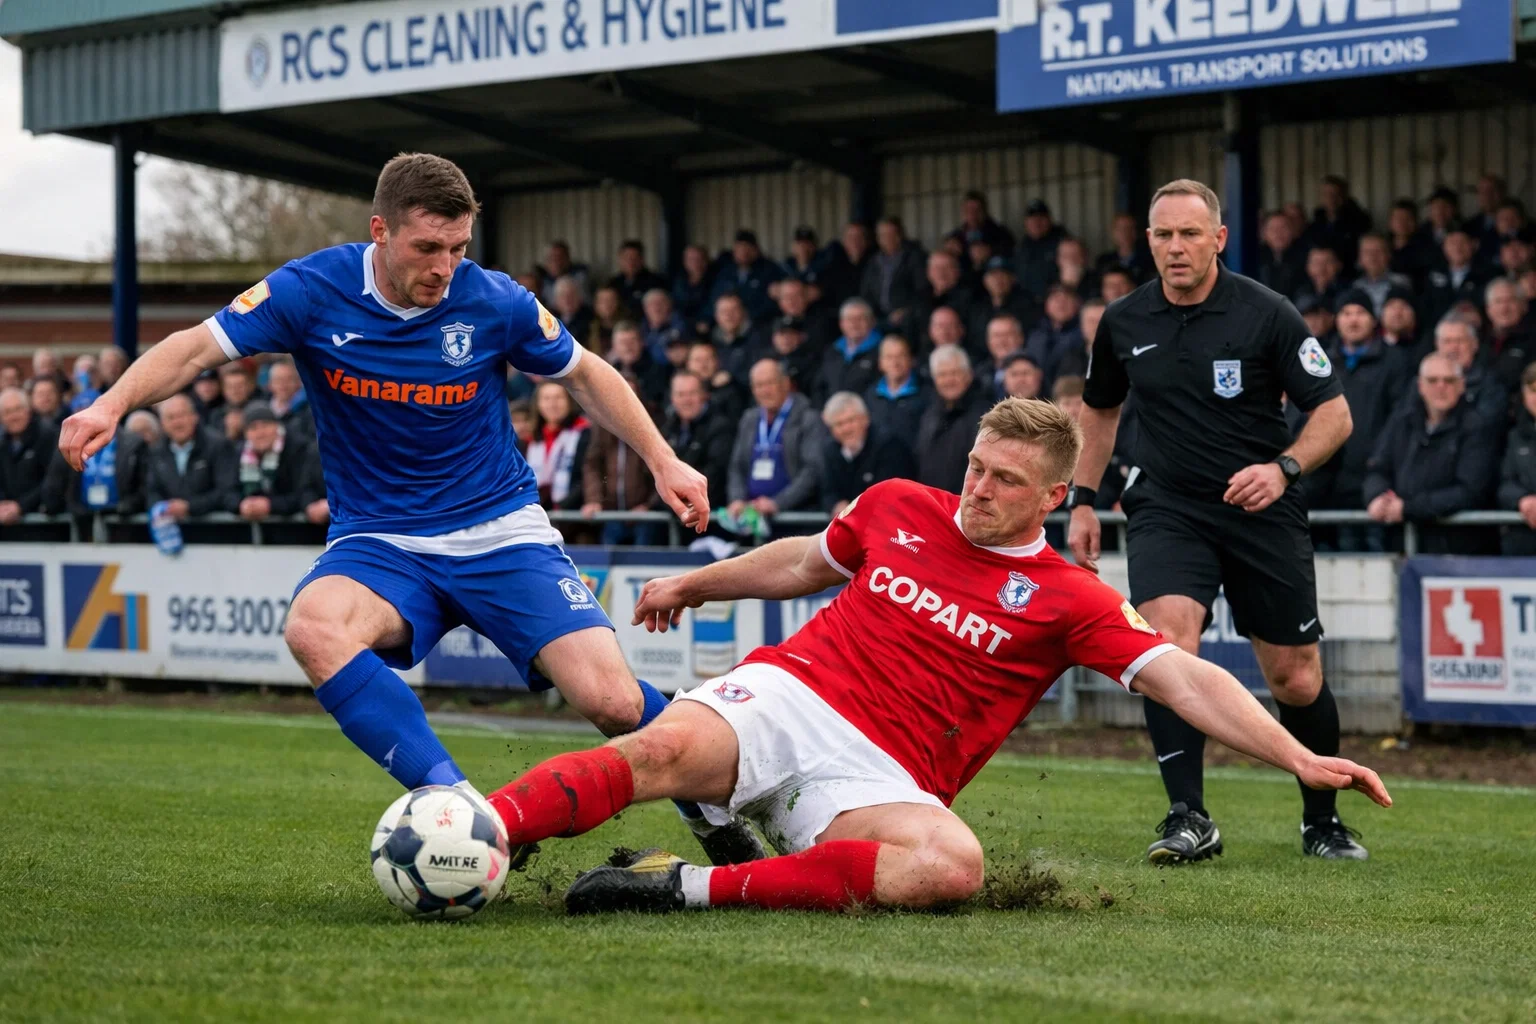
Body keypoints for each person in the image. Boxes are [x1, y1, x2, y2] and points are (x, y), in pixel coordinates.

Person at [55, 154, 753, 862]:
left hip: (501, 531)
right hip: (382, 540)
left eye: (458, 248)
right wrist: (111, 404)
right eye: (427, 247)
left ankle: (719, 807)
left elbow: (586, 373)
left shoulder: (495, 299)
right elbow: (193, 350)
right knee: (314, 627)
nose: (444, 267)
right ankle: (462, 811)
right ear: (380, 231)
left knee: (613, 701)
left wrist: (662, 459)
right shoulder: (310, 290)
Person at [468, 399, 1390, 916]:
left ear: (1053, 497)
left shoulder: (1070, 597)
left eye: (1004, 481)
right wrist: (696, 584)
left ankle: (680, 887)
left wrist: (1299, 757)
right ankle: (478, 832)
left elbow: (1185, 677)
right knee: (659, 748)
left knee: (951, 867)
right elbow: (803, 563)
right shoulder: (900, 503)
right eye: (976, 466)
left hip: (883, 777)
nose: (976, 490)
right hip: (791, 695)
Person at [1070, 179, 1365, 862]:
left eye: (1189, 234)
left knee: (1295, 677)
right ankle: (1188, 815)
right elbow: (1099, 410)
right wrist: (1082, 498)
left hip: (1262, 510)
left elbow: (1334, 413)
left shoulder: (1268, 313)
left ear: (1218, 239)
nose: (1175, 247)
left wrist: (1283, 469)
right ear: (1148, 241)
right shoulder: (1123, 320)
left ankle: (1321, 821)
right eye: (1163, 234)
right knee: (1166, 648)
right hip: (1167, 507)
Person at [1299, 291, 1410, 552]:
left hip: (1376, 482)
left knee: (1377, 556)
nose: (1353, 320)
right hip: (1327, 484)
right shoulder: (1321, 361)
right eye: (1346, 313)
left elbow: (1400, 419)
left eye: (1360, 313)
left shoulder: (1395, 361)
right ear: (1336, 320)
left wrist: (1380, 462)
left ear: (1373, 320)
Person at [1364, 352, 1501, 555]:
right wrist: (1377, 497)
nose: (1440, 387)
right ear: (1420, 385)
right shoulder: (1401, 422)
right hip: (1403, 545)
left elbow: (1470, 491)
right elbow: (1377, 468)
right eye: (1432, 380)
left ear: (1462, 385)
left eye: (1449, 380)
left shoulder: (1477, 427)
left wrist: (1408, 508)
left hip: (1459, 550)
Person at [726, 358, 825, 520]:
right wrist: (737, 499)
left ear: (785, 383)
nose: (765, 391)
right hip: (751, 519)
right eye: (759, 385)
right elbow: (737, 467)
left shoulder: (807, 419)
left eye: (770, 383)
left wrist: (778, 503)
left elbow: (812, 470)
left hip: (795, 518)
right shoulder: (749, 419)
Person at [143, 393, 239, 520]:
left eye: (181, 415)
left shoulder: (218, 445)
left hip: (214, 527)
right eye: (171, 418)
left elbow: (226, 491)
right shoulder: (156, 452)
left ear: (195, 417)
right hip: (170, 526)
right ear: (162, 424)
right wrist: (163, 507)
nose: (177, 423)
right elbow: (151, 491)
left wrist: (190, 507)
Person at [818, 391, 914, 516]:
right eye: (839, 424)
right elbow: (828, 492)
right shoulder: (830, 450)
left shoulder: (889, 445)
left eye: (851, 420)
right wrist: (836, 505)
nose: (846, 429)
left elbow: (889, 492)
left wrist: (853, 509)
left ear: (865, 419)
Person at [914, 346, 989, 495]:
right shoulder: (929, 415)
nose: (948, 380)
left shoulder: (985, 414)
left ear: (968, 375)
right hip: (932, 501)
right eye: (942, 375)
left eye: (955, 373)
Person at [234, 402, 324, 521]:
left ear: (277, 426)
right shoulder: (239, 452)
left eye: (265, 426)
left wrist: (270, 505)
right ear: (245, 434)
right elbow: (228, 492)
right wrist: (242, 504)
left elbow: (302, 494)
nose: (260, 433)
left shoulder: (298, 449)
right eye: (253, 428)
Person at [663, 371, 734, 511]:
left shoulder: (720, 427)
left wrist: (682, 501)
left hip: (709, 512)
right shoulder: (668, 429)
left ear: (704, 395)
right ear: (672, 398)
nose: (686, 400)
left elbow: (715, 475)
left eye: (692, 393)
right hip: (674, 511)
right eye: (680, 394)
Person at [525, 381, 590, 513]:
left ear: (570, 401)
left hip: (572, 512)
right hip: (539, 511)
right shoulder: (530, 439)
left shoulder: (585, 433)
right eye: (546, 399)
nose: (552, 404)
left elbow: (585, 478)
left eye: (558, 398)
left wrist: (562, 507)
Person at [0, 386, 58, 524]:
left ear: (28, 410)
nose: (13, 416)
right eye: (7, 412)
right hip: (6, 521)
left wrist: (21, 506)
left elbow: (53, 480)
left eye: (18, 409)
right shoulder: (2, 443)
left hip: (46, 522)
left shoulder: (47, 435)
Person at [863, 334, 930, 449]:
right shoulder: (870, 395)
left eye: (900, 356)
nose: (895, 363)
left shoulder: (927, 394)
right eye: (889, 357)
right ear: (880, 363)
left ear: (911, 360)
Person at [1497, 362, 1536, 555]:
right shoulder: (1515, 436)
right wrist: (1523, 500)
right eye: (1533, 390)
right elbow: (1505, 484)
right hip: (1523, 544)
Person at [860, 217, 926, 329]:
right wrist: (870, 313)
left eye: (891, 235)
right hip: (879, 318)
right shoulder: (874, 261)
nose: (887, 239)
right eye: (882, 235)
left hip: (906, 317)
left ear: (900, 236)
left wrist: (905, 310)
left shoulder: (914, 258)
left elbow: (922, 290)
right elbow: (866, 291)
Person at [968, 256, 1038, 356]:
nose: (998, 280)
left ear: (1012, 279)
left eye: (1003, 275)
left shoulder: (1026, 307)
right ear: (985, 280)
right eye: (993, 275)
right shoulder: (977, 309)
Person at [710, 230, 783, 324]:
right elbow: (715, 298)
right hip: (728, 321)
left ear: (756, 250)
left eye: (747, 249)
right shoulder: (726, 271)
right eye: (739, 249)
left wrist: (745, 316)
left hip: (758, 322)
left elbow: (772, 304)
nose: (743, 253)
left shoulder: (770, 270)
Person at [1024, 284, 1083, 393]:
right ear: (1046, 304)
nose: (1061, 304)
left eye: (1066, 300)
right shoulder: (1035, 336)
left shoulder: (1083, 334)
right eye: (1056, 300)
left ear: (1077, 304)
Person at [820, 298, 883, 400]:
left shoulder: (882, 350)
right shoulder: (832, 351)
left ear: (871, 321)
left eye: (860, 318)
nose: (854, 324)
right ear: (841, 324)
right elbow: (820, 386)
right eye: (849, 319)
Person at [607, 321, 671, 409]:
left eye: (632, 341)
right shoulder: (610, 371)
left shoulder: (658, 371)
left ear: (641, 343)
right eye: (623, 342)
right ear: (614, 346)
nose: (628, 347)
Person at [685, 341, 746, 426]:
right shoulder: (678, 388)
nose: (703, 365)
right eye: (698, 360)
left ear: (717, 363)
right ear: (688, 364)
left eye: (707, 359)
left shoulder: (731, 391)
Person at [1351, 234, 1412, 316]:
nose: (1372, 257)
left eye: (1378, 251)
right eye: (1367, 252)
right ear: (1360, 258)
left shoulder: (1401, 283)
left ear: (1388, 255)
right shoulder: (1356, 286)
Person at [711, 292, 764, 387]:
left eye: (733, 310)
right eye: (723, 312)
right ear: (716, 316)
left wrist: (731, 378)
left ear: (743, 312)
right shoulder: (712, 342)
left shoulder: (758, 339)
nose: (728, 315)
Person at [608, 240, 668, 314]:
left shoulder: (656, 282)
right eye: (626, 258)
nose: (630, 262)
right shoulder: (613, 283)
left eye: (634, 258)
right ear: (620, 260)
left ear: (642, 259)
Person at [1257, 209, 1307, 299]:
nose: (1278, 233)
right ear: (1264, 234)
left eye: (1283, 228)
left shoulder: (1305, 257)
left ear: (1293, 231)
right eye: (1273, 229)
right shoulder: (1256, 257)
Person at [974, 314, 1025, 400]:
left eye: (1008, 334)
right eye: (997, 336)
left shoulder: (1035, 368)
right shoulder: (979, 374)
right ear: (988, 341)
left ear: (1020, 338)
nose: (1002, 341)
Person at [954, 189, 1015, 258]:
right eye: (968, 210)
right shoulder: (956, 236)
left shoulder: (1000, 233)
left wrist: (990, 250)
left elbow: (1011, 249)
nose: (972, 215)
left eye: (977, 210)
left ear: (984, 211)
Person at [1096, 212, 1154, 284]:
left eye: (1129, 228)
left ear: (1136, 232)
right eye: (1120, 229)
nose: (1125, 232)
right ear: (1113, 233)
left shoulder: (1149, 260)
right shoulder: (1104, 261)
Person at [672, 244, 715, 337]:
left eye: (698, 259)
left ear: (705, 261)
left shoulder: (715, 279)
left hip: (706, 324)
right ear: (685, 262)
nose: (695, 263)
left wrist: (705, 320)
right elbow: (676, 305)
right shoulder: (679, 280)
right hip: (683, 323)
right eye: (690, 259)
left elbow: (713, 304)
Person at [265, 358, 313, 442]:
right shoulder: (261, 406)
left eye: (289, 379)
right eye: (279, 380)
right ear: (270, 384)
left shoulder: (308, 410)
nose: (283, 384)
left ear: (298, 383)